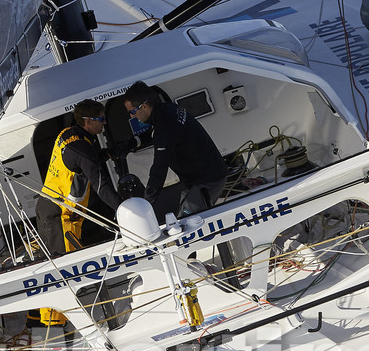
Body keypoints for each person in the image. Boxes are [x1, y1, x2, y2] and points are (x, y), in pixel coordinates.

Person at [123, 80, 228, 221]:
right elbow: (157, 134)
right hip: (205, 176)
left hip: (207, 180)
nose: (132, 116)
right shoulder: (169, 109)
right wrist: (133, 142)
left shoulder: (164, 124)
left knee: (188, 224)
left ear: (144, 106)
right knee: (183, 217)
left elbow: (159, 167)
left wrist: (146, 201)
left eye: (132, 112)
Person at [34, 99, 121, 258]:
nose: (105, 122)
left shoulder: (67, 134)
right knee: (67, 263)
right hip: (60, 214)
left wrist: (108, 153)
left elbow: (80, 165)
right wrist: (123, 208)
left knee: (50, 260)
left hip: (46, 205)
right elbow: (100, 184)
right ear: (88, 122)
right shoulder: (81, 147)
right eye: (101, 119)